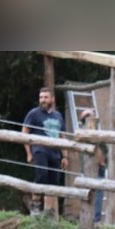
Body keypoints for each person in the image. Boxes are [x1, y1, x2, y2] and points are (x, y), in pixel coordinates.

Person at [22, 87, 67, 216]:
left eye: (46, 97)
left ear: (52, 99)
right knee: (42, 175)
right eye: (41, 97)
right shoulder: (34, 114)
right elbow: (24, 132)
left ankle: (49, 212)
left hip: (55, 153)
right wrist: (29, 153)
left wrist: (65, 156)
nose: (43, 100)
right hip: (39, 150)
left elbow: (62, 136)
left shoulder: (58, 116)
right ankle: (35, 206)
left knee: (54, 182)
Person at [78, 107, 107, 223]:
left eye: (91, 115)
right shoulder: (81, 133)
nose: (89, 118)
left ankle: (96, 219)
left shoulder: (99, 134)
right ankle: (86, 219)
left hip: (99, 167)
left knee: (98, 192)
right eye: (86, 116)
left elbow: (104, 152)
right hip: (87, 167)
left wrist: (102, 163)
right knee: (87, 192)